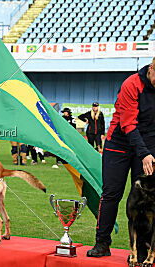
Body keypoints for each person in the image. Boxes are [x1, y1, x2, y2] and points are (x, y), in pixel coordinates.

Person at [87, 58, 155, 257]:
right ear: (151, 69)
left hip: (148, 145)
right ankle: (102, 243)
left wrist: (147, 152)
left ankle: (141, 250)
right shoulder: (132, 84)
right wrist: (144, 153)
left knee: (146, 199)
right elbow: (128, 124)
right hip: (119, 144)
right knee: (111, 194)